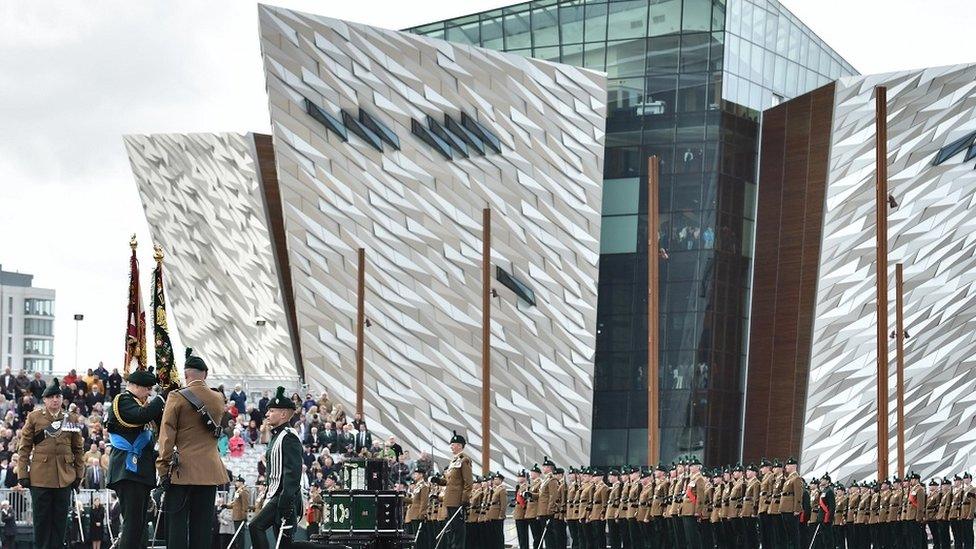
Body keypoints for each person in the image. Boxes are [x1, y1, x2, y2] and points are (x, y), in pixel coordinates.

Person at [156, 348, 229, 548]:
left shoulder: (176, 396)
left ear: (186, 375)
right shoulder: (218, 398)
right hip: (209, 471)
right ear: (205, 375)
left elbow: (167, 436)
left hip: (182, 471)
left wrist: (163, 469)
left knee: (177, 525)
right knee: (203, 527)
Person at [14, 378, 85, 549]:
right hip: (40, 479)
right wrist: (22, 474)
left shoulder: (71, 418)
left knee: (60, 524)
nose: (55, 400)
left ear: (62, 399)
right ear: (44, 400)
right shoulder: (34, 417)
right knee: (42, 523)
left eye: (58, 396)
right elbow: (24, 448)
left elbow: (78, 450)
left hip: (64, 478)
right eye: (51, 396)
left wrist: (78, 476)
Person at [105, 367, 165, 548]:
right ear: (136, 386)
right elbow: (142, 416)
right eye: (147, 389)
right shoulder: (123, 400)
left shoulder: (138, 403)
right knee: (132, 524)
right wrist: (162, 398)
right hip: (127, 470)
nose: (149, 393)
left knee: (140, 525)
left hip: (139, 471)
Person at [248, 386, 303, 549]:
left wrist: (286, 502)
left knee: (255, 526)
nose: (267, 414)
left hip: (284, 497)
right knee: (285, 545)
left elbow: (293, 473)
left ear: (284, 414)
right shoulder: (277, 436)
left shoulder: (289, 437)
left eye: (271, 410)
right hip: (276, 495)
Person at [443, 431, 473, 549]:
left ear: (460, 446)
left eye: (453, 444)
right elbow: (450, 481)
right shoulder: (453, 461)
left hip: (457, 499)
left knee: (458, 527)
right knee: (452, 527)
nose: (451, 446)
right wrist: (439, 481)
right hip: (450, 499)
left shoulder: (464, 460)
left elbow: (468, 481)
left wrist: (464, 499)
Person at [227, 475, 250, 549]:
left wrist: (244, 516)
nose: (235, 483)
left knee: (240, 536)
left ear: (241, 483)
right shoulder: (238, 491)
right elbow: (235, 503)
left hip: (240, 516)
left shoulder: (244, 491)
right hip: (236, 516)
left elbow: (245, 505)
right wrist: (226, 505)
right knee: (237, 536)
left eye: (237, 482)